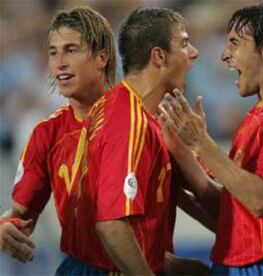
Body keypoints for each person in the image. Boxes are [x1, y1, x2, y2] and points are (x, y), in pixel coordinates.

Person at [158, 2, 263, 275]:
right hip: (236, 263)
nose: (224, 55)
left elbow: (262, 201)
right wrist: (173, 181)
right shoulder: (255, 116)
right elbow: (233, 217)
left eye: (235, 43)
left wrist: (202, 144)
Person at [68, 7, 206, 275]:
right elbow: (111, 225)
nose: (194, 52)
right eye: (185, 43)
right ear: (159, 56)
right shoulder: (128, 122)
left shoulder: (133, 112)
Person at [0, 5, 117, 268]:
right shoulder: (46, 133)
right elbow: (19, 213)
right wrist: (6, 226)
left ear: (102, 57)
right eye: (53, 52)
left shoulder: (136, 119)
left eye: (71, 50)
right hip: (79, 268)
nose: (59, 62)